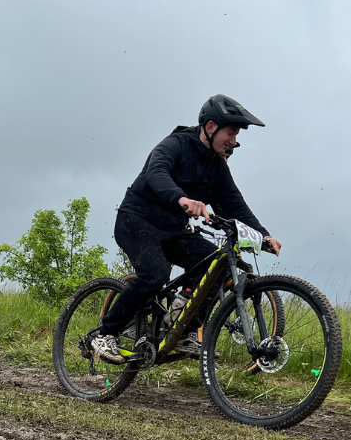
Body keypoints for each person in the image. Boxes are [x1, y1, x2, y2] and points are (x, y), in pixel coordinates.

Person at [91, 94, 282, 363]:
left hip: (173, 230)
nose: (234, 141)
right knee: (155, 274)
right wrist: (182, 199)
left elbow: (234, 204)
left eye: (236, 135)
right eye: (231, 132)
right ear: (211, 126)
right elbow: (157, 173)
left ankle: (184, 331)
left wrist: (263, 235)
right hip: (137, 220)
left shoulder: (216, 166)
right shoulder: (176, 144)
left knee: (216, 265)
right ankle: (105, 334)